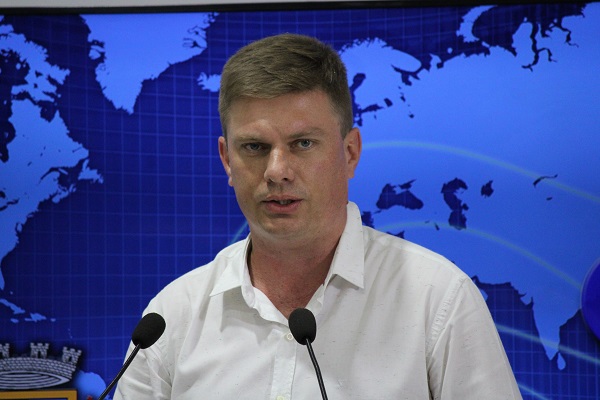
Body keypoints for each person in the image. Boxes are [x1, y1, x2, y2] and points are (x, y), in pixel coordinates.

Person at [114, 33, 521, 399]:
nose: (277, 171)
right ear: (226, 160)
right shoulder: (169, 319)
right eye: (254, 147)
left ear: (350, 153)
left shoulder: (438, 300)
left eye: (303, 143)